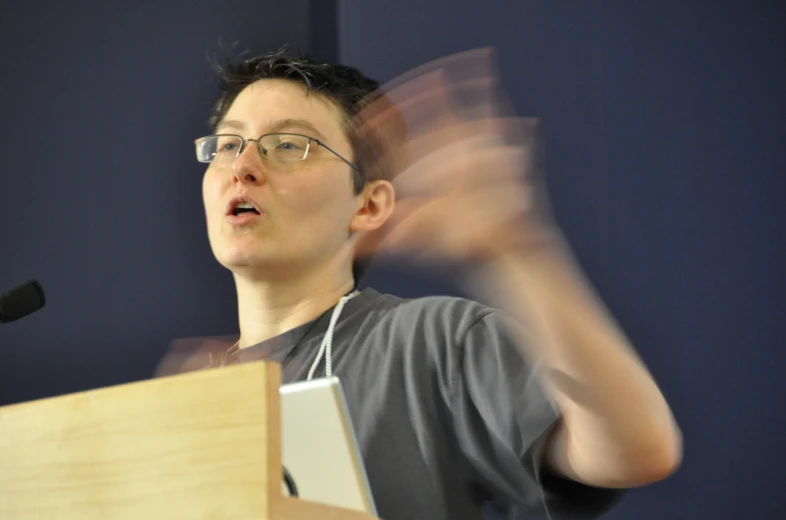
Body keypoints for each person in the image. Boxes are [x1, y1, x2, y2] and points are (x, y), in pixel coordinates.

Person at [165, 47, 682, 519]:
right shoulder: (191, 394)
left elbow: (635, 449)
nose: (244, 166)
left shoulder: (430, 341)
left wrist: (516, 252)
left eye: (290, 144)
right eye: (228, 143)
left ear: (369, 205)